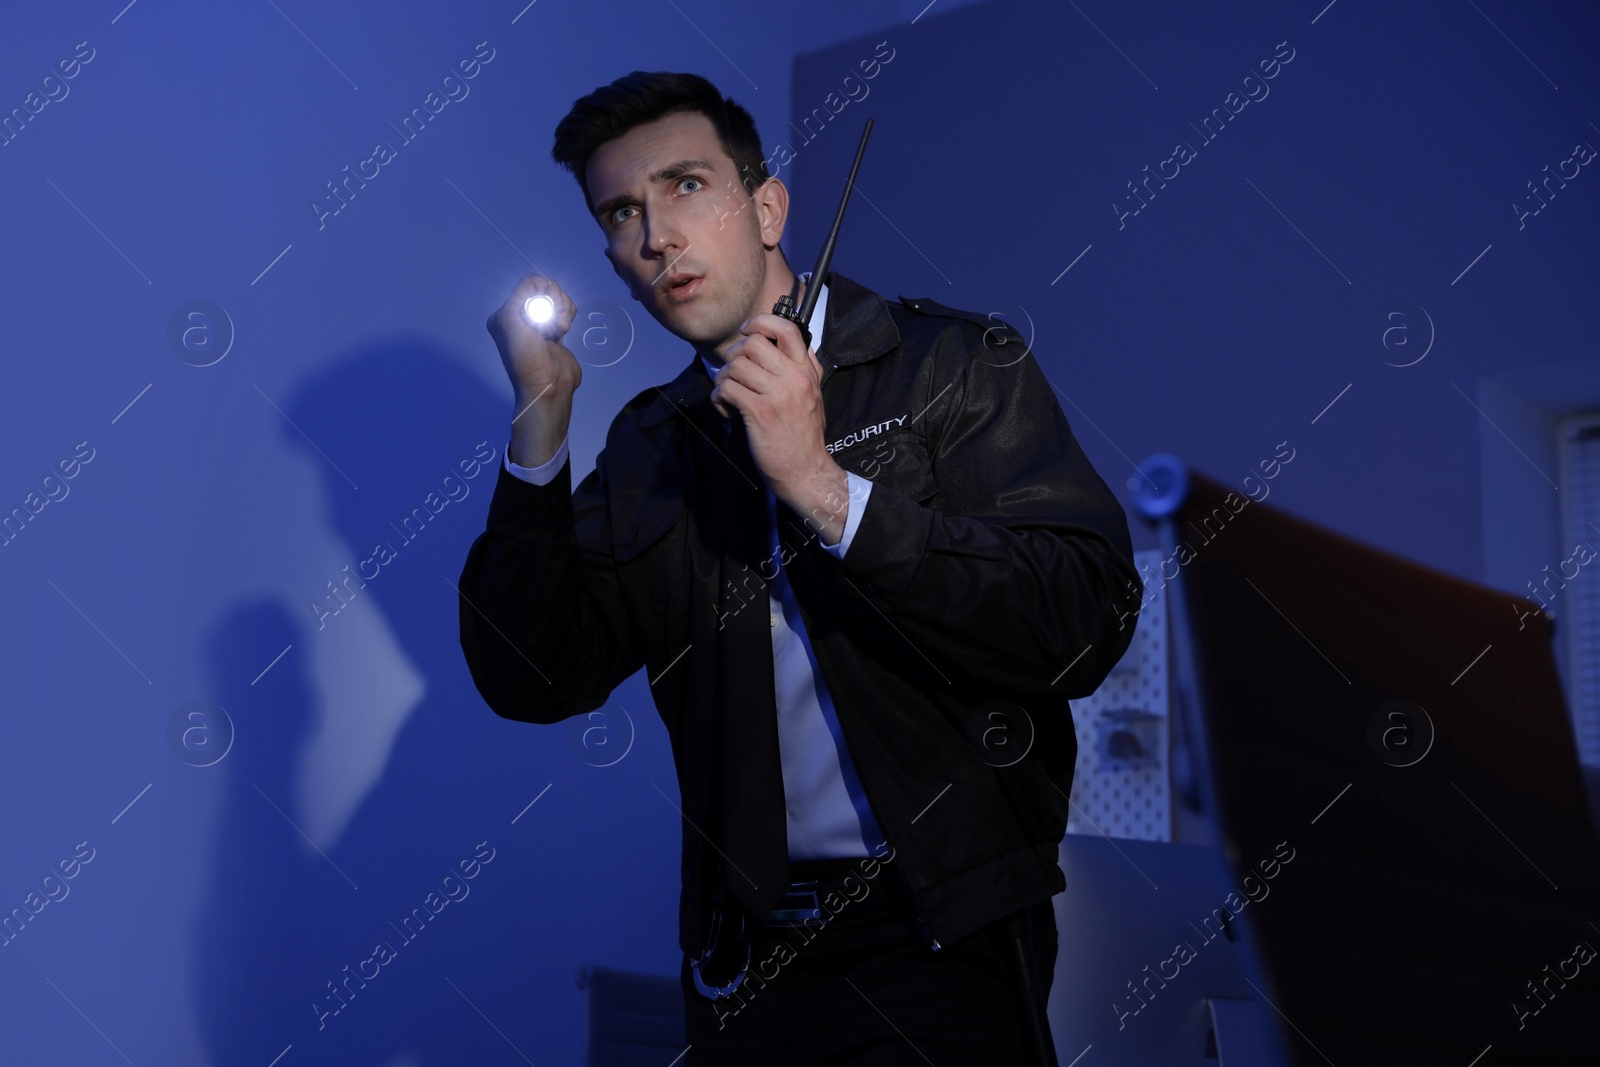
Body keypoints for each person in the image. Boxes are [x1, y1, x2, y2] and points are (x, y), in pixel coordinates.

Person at [457, 70, 1142, 1065]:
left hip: (937, 936)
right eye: (621, 211)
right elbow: (530, 672)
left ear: (767, 206)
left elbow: (1082, 622)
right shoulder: (651, 445)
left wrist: (824, 488)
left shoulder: (949, 365)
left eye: (686, 185)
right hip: (743, 963)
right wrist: (540, 431)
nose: (656, 235)